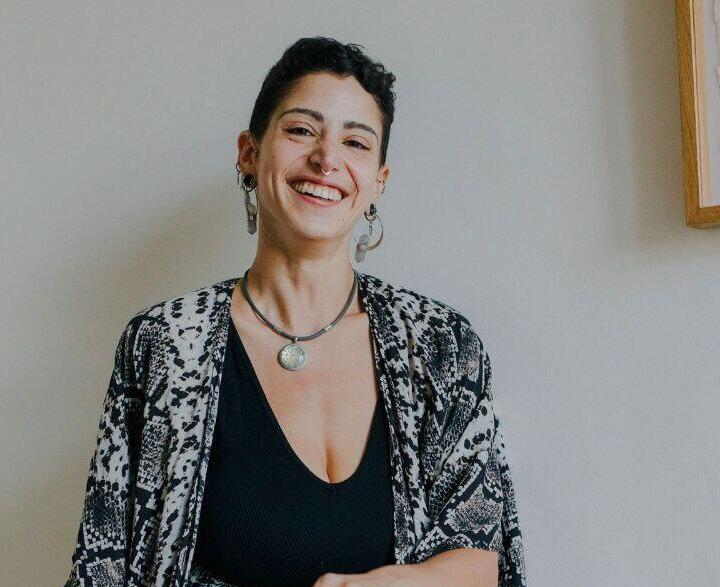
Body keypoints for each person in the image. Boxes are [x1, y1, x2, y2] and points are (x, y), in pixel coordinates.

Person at [65, 37, 527, 587]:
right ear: (249, 153)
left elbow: (480, 558)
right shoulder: (165, 344)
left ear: (378, 181)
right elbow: (102, 565)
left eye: (355, 142)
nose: (327, 159)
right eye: (302, 130)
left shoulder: (440, 344)